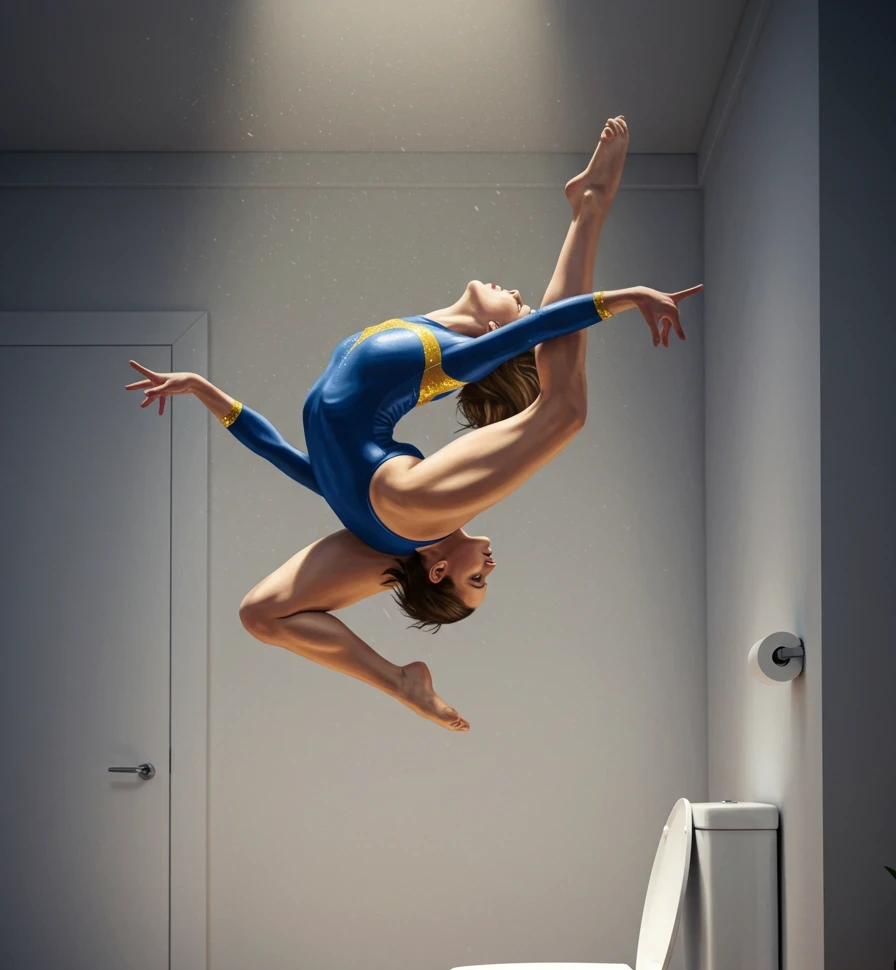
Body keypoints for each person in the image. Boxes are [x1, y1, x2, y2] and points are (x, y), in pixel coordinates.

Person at [126, 117, 702, 732]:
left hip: (406, 505)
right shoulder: (391, 480)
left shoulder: (447, 373)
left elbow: (285, 455)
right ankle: (403, 683)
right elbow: (297, 461)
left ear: (438, 570)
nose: (490, 565)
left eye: (475, 578)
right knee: (559, 411)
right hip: (394, 504)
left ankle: (589, 206)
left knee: (564, 413)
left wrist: (628, 295)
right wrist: (207, 394)